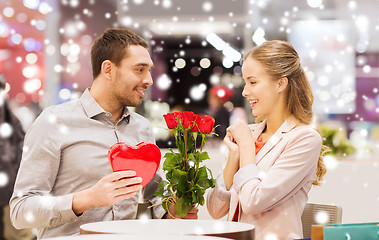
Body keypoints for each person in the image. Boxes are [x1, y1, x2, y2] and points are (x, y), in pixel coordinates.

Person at [10, 28, 197, 239]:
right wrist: (87, 198)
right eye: (140, 69)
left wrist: (170, 211)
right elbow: (20, 211)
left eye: (149, 70)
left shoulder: (142, 127)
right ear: (108, 69)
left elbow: (152, 198)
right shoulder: (53, 122)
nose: (149, 80)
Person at [206, 40, 327, 240]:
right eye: (245, 82)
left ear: (281, 83)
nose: (245, 91)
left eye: (253, 82)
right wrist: (233, 158)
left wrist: (245, 147)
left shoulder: (304, 138)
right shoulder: (250, 134)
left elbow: (254, 201)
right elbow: (215, 209)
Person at [0, 74, 34, 240]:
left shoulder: (11, 119)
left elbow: (21, 150)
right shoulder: (11, 118)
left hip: (11, 188)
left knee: (19, 233)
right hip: (12, 186)